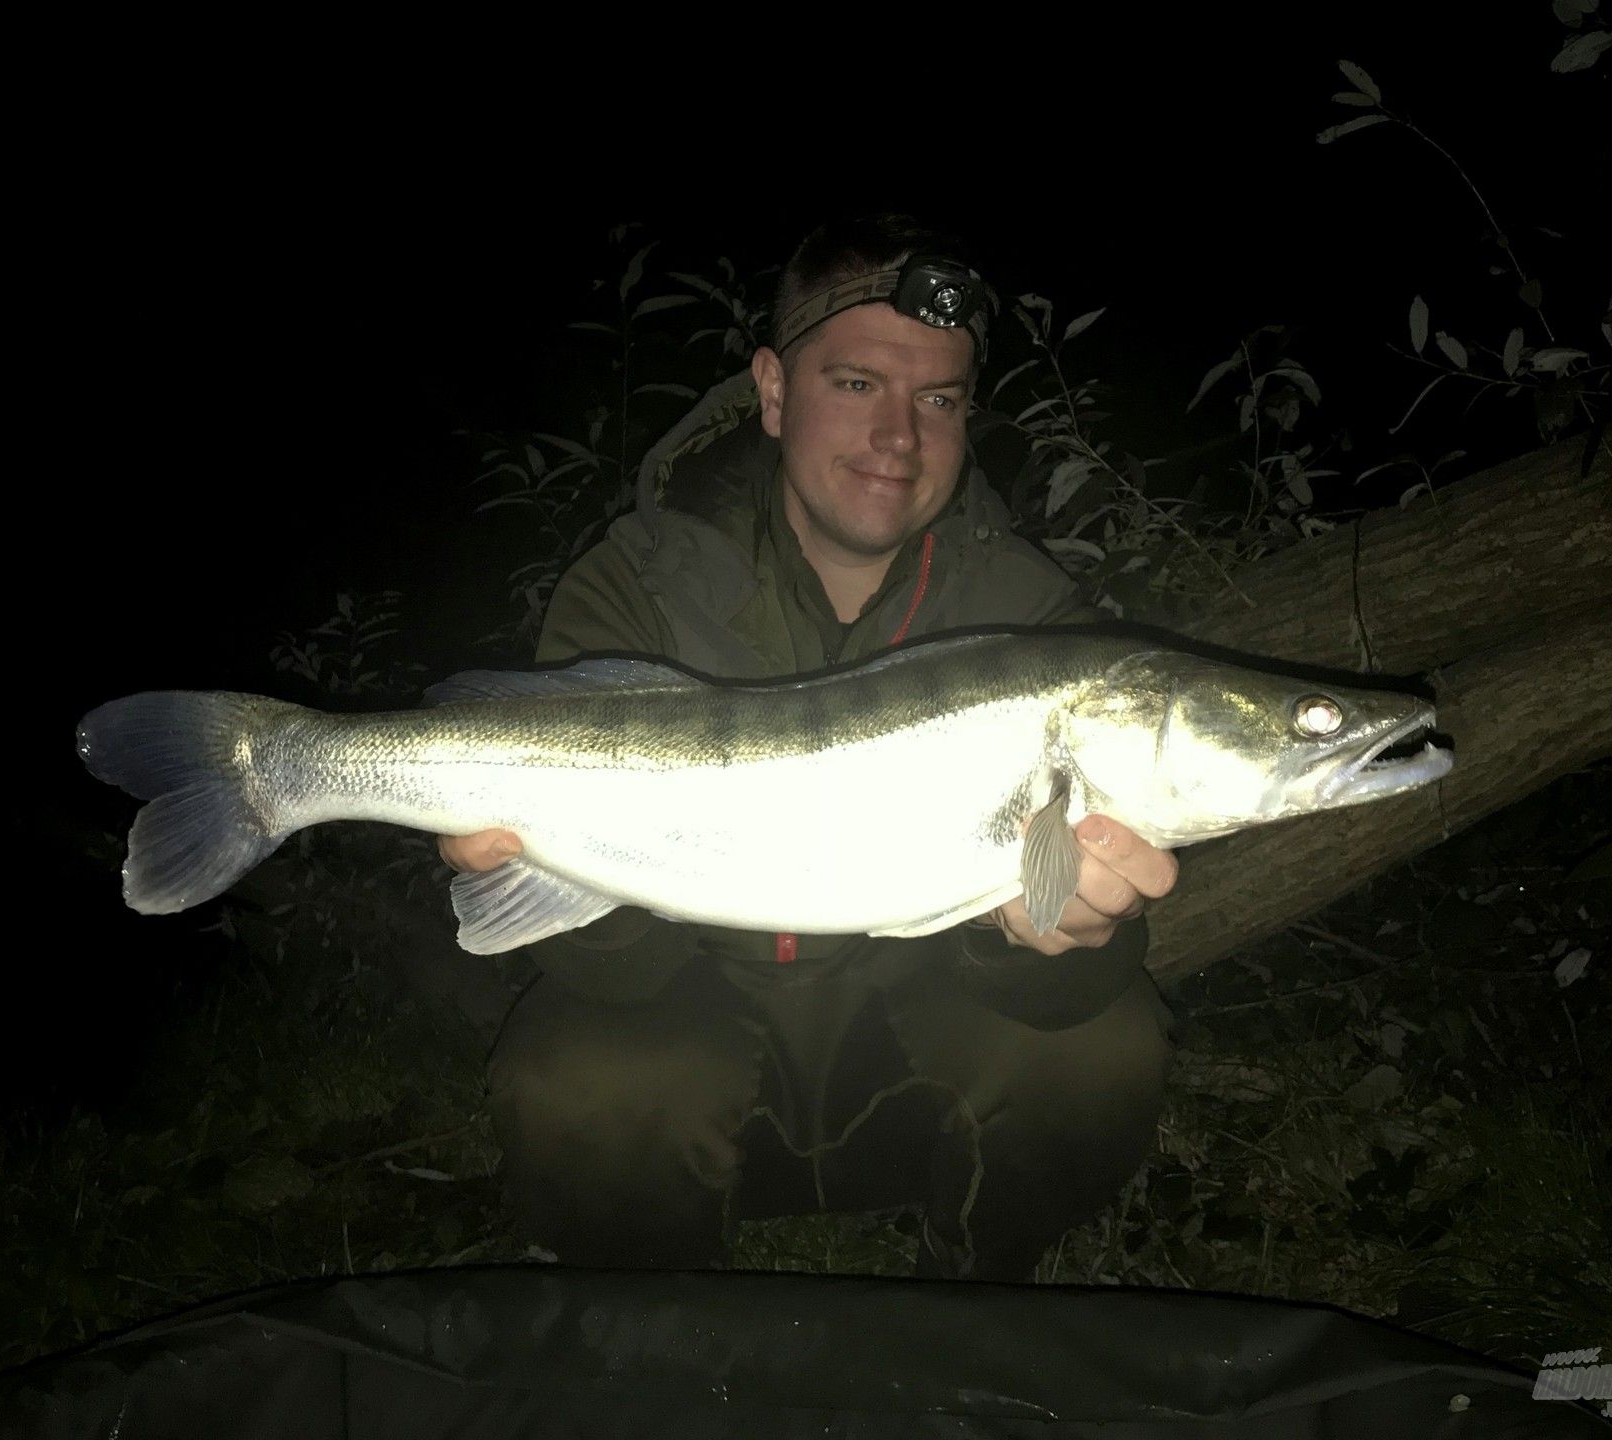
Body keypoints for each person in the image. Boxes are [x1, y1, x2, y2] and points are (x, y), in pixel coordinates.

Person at [441, 215, 1180, 1280]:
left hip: (911, 1028)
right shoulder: (634, 584)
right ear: (774, 391)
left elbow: (1055, 990)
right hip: (689, 1003)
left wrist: (1057, 936)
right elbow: (596, 968)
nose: (900, 438)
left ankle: (977, 1306)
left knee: (1104, 1042)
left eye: (939, 399)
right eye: (856, 386)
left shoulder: (1040, 626)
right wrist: (541, 872)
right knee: (577, 1079)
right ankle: (661, 1331)